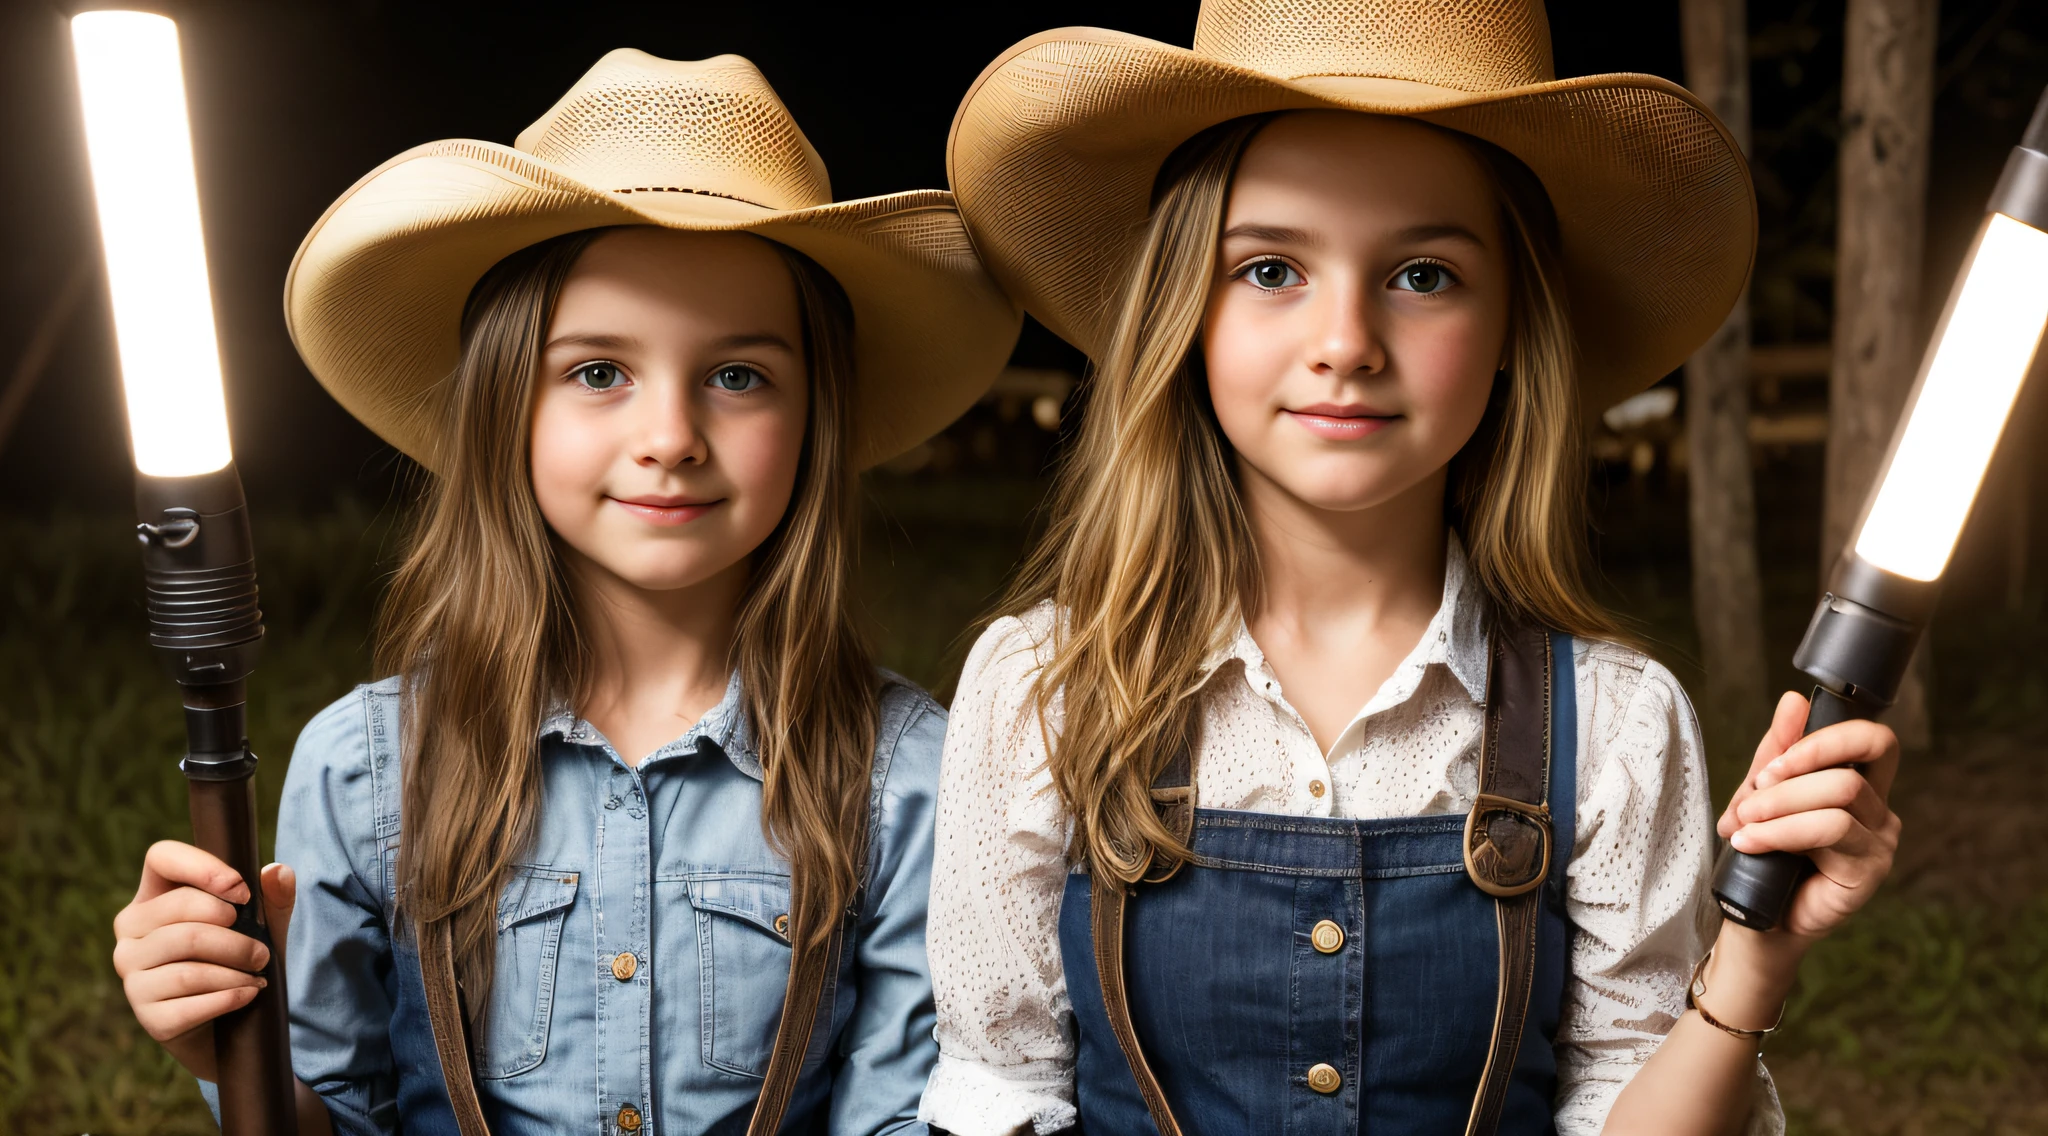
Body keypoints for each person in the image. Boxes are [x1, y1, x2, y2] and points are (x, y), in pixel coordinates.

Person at [920, 2, 1899, 1134]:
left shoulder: (1616, 726)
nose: (1344, 340)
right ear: (1184, 312)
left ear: (1510, 327)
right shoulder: (1040, 688)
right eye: (1272, 268)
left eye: (1424, 274)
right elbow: (1000, 1090)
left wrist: (1752, 960)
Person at [110, 49, 1017, 1135]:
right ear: (507, 409)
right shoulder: (366, 772)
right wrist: (230, 1047)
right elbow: (335, 1120)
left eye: (738, 376)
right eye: (598, 372)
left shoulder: (906, 778)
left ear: (816, 420)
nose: (670, 438)